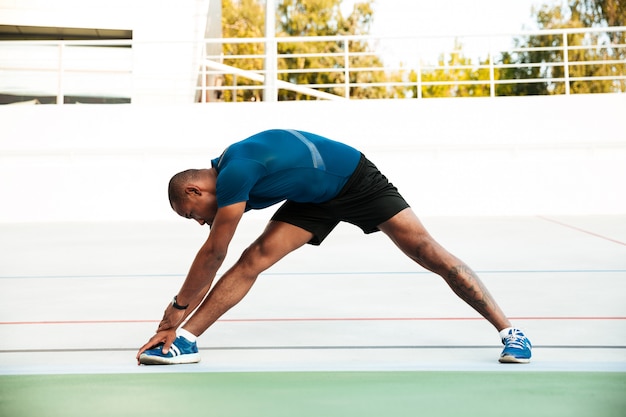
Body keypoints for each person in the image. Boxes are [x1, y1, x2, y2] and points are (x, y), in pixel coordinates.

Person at [136, 129, 532, 365]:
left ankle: (511, 333)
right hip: (313, 197)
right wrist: (177, 323)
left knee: (427, 252)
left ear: (194, 189)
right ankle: (185, 342)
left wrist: (175, 310)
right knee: (253, 259)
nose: (201, 220)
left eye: (194, 213)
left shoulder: (235, 172)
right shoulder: (228, 165)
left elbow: (213, 252)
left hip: (354, 180)